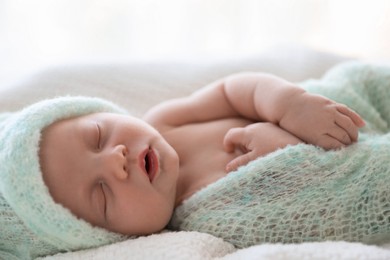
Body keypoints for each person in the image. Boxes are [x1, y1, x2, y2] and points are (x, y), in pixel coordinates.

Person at [0, 62, 388, 259]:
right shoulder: (203, 217)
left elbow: (233, 91)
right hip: (355, 164)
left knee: (365, 76)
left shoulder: (164, 120)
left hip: (341, 103)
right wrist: (285, 150)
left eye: (97, 136)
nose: (115, 160)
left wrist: (288, 104)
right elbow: (319, 207)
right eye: (101, 195)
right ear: (108, 238)